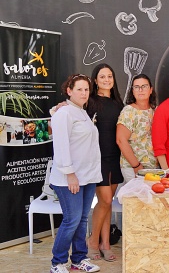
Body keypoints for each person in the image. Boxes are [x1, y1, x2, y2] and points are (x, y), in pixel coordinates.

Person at [49, 74, 101, 273]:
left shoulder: (82, 112)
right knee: (72, 220)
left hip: (87, 177)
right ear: (69, 91)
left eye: (86, 89)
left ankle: (79, 259)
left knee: (82, 220)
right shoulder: (64, 113)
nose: (83, 93)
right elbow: (60, 146)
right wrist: (70, 174)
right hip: (69, 178)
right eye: (79, 89)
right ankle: (57, 262)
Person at [86, 63, 124, 262]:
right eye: (102, 76)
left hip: (114, 158)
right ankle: (92, 242)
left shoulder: (119, 103)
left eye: (110, 76)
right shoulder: (90, 102)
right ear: (95, 80)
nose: (107, 80)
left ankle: (105, 244)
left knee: (106, 204)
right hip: (97, 159)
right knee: (106, 200)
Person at [116, 74, 158, 182]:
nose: (140, 90)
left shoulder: (155, 111)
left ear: (151, 90)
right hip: (134, 167)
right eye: (136, 87)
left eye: (144, 86)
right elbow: (121, 140)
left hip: (154, 167)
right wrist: (136, 165)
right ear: (133, 91)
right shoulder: (128, 111)